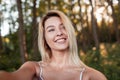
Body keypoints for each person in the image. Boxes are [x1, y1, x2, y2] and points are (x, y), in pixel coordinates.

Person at [0, 10, 107, 80]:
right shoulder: (33, 68)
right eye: (51, 30)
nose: (59, 33)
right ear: (44, 39)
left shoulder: (92, 76)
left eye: (63, 27)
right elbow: (11, 77)